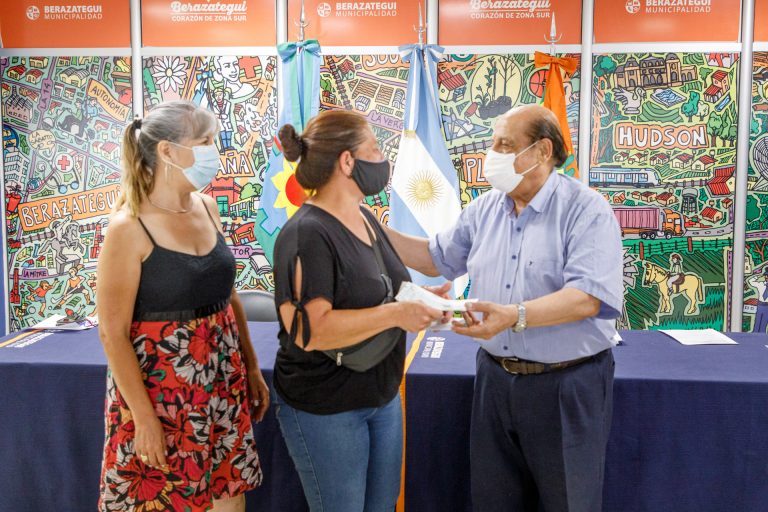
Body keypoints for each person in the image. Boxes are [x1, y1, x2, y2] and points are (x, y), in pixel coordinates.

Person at [385, 104, 624, 512]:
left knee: (569, 502)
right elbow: (434, 259)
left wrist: (515, 316)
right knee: (493, 502)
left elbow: (588, 297)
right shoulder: (485, 209)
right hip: (494, 382)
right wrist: (371, 230)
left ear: (542, 150)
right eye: (493, 143)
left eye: (505, 145)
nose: (491, 154)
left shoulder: (585, 210)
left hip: (566, 385)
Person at [271, 110, 445, 512]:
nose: (383, 158)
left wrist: (428, 299)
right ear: (347, 161)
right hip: (327, 405)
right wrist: (397, 315)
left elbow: (423, 261)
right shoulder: (307, 233)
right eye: (375, 149)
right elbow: (310, 331)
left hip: (381, 396)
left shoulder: (364, 217)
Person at [97, 101, 267, 512]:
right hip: (163, 392)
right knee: (163, 496)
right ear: (167, 151)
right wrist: (144, 418)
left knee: (228, 492)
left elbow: (228, 296)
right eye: (205, 141)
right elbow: (112, 333)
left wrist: (251, 366)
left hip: (222, 380)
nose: (214, 151)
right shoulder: (128, 228)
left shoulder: (207, 207)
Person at [748, 266, 768, 333]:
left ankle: (762, 336)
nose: (767, 277)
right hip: (760, 305)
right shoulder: (761, 284)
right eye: (766, 276)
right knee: (757, 321)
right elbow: (751, 281)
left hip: (767, 307)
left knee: (764, 323)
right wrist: (757, 275)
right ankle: (754, 335)